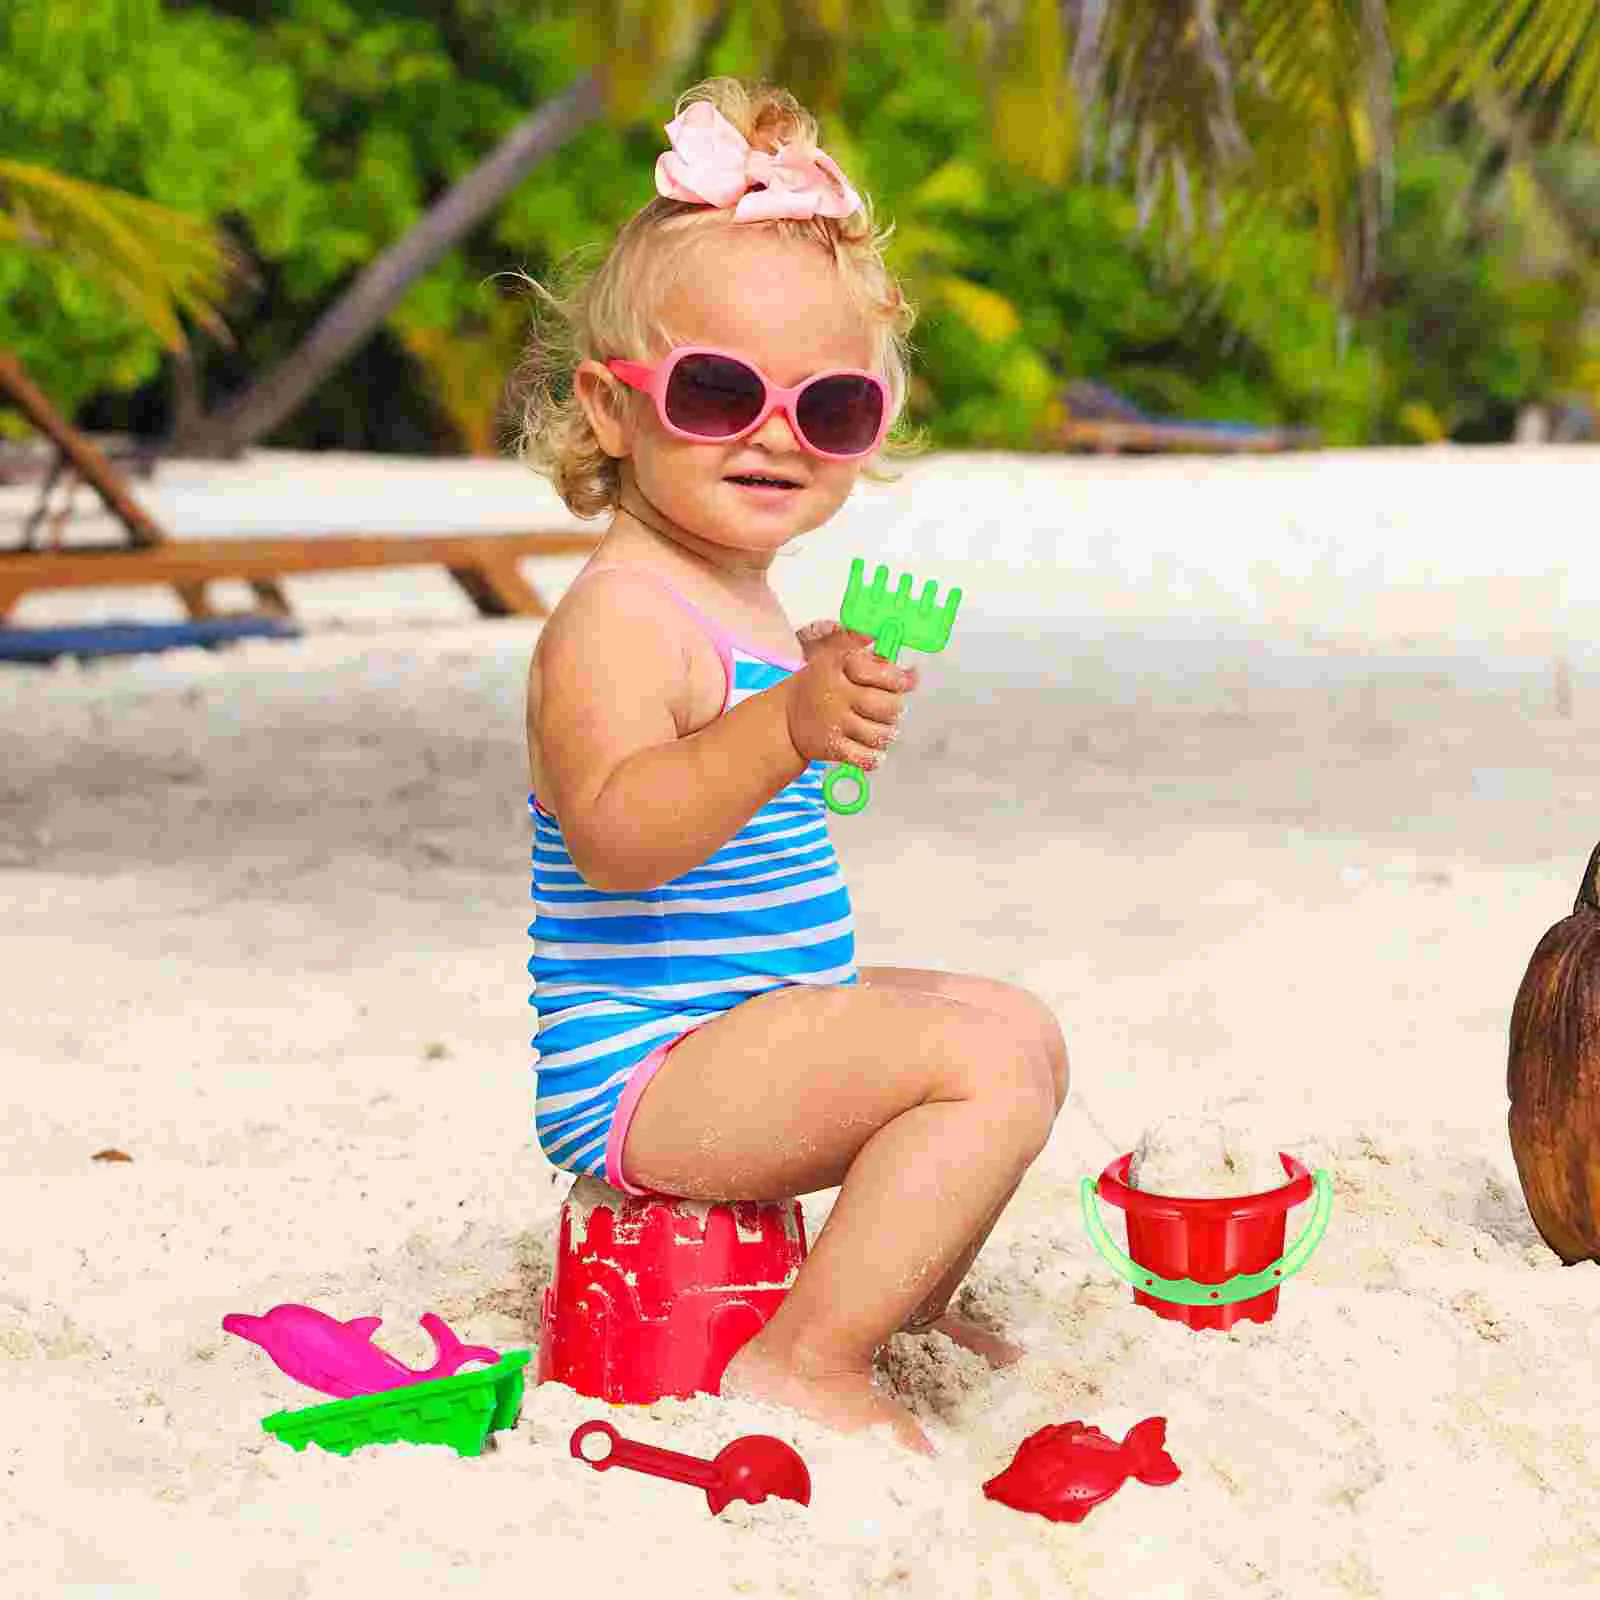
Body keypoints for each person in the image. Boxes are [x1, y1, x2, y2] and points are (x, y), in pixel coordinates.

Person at [516, 76, 1069, 1454]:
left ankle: (898, 1299)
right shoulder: (616, 615)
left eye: (828, 408)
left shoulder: (732, 593)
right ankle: (809, 1361)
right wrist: (779, 727)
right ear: (609, 408)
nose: (775, 433)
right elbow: (619, 838)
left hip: (744, 1015)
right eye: (717, 390)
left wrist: (807, 688)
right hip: (649, 1068)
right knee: (975, 1074)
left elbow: (743, 772)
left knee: (1016, 1027)